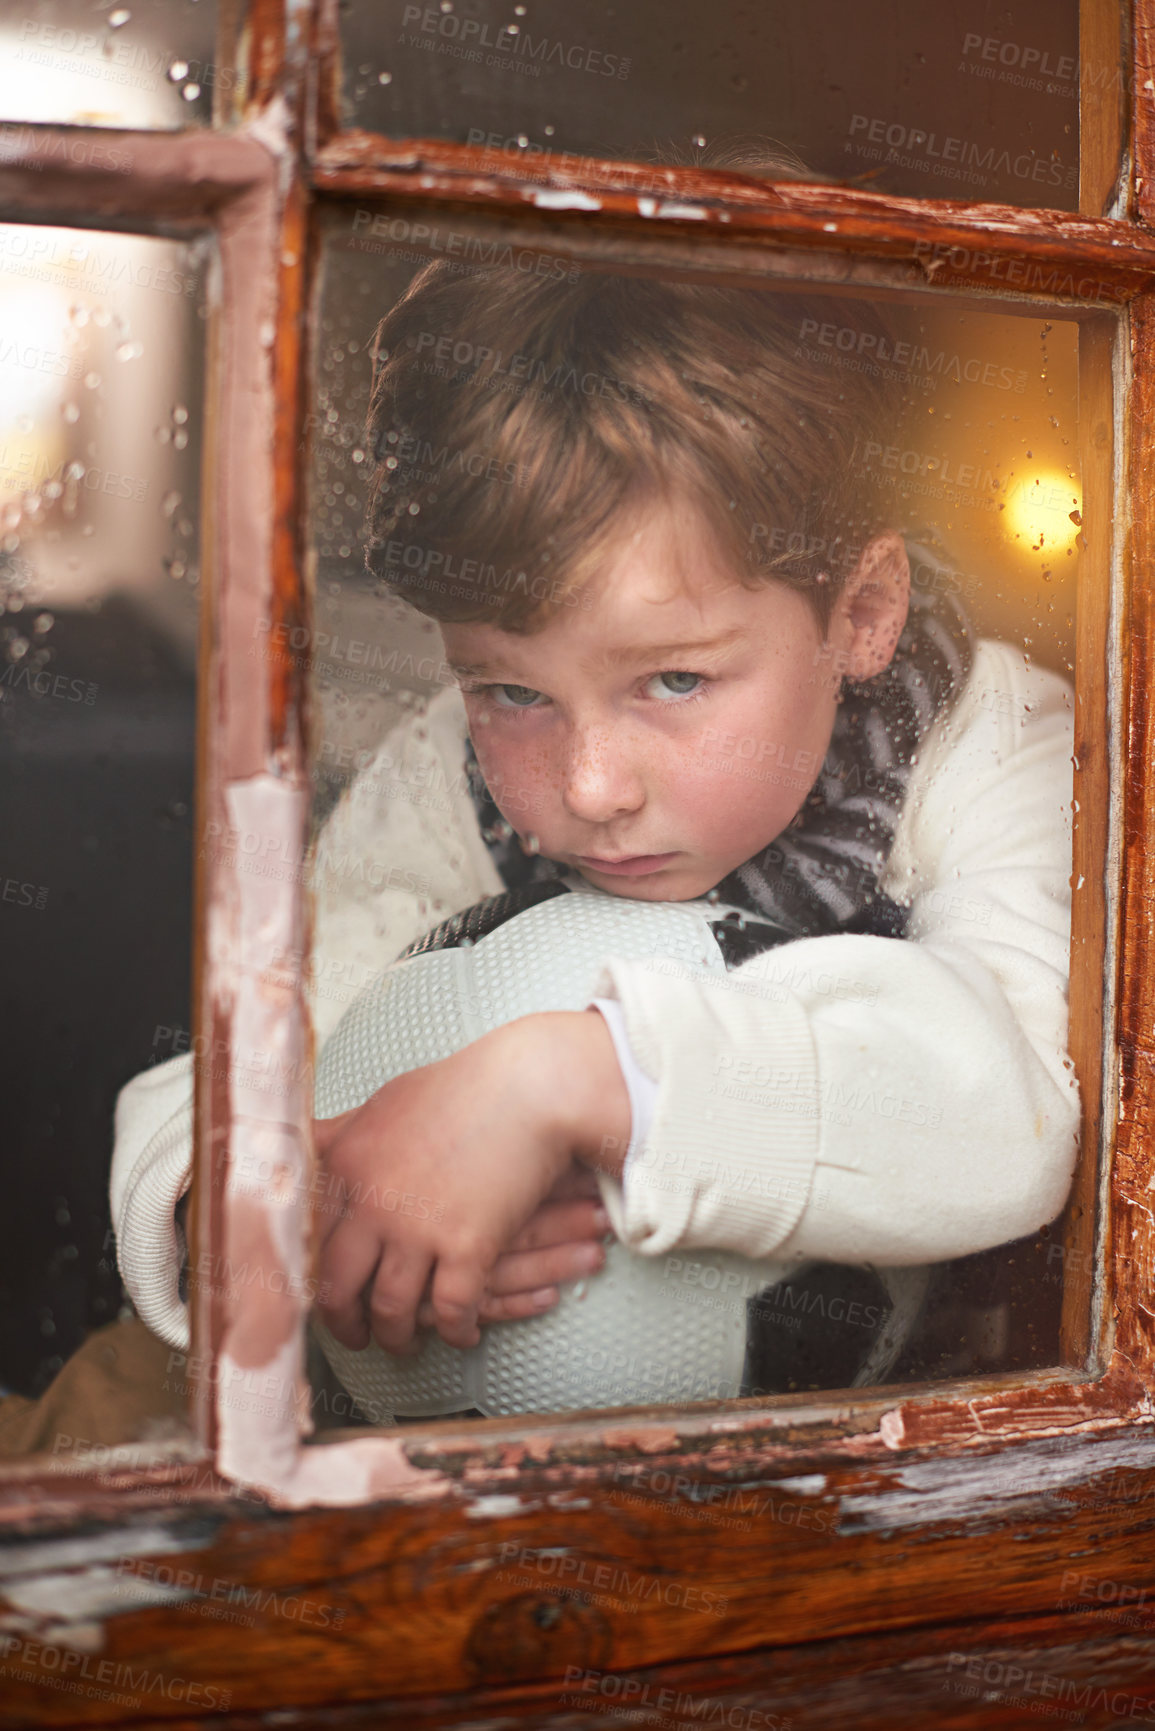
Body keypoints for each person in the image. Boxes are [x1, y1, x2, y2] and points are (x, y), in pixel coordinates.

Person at [111, 261, 1079, 1398]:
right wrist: (248, 1192)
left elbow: (1013, 1115)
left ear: (861, 613)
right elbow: (246, 1046)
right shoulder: (438, 779)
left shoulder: (997, 747)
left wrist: (570, 1080)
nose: (590, 786)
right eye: (510, 693)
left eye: (673, 680)